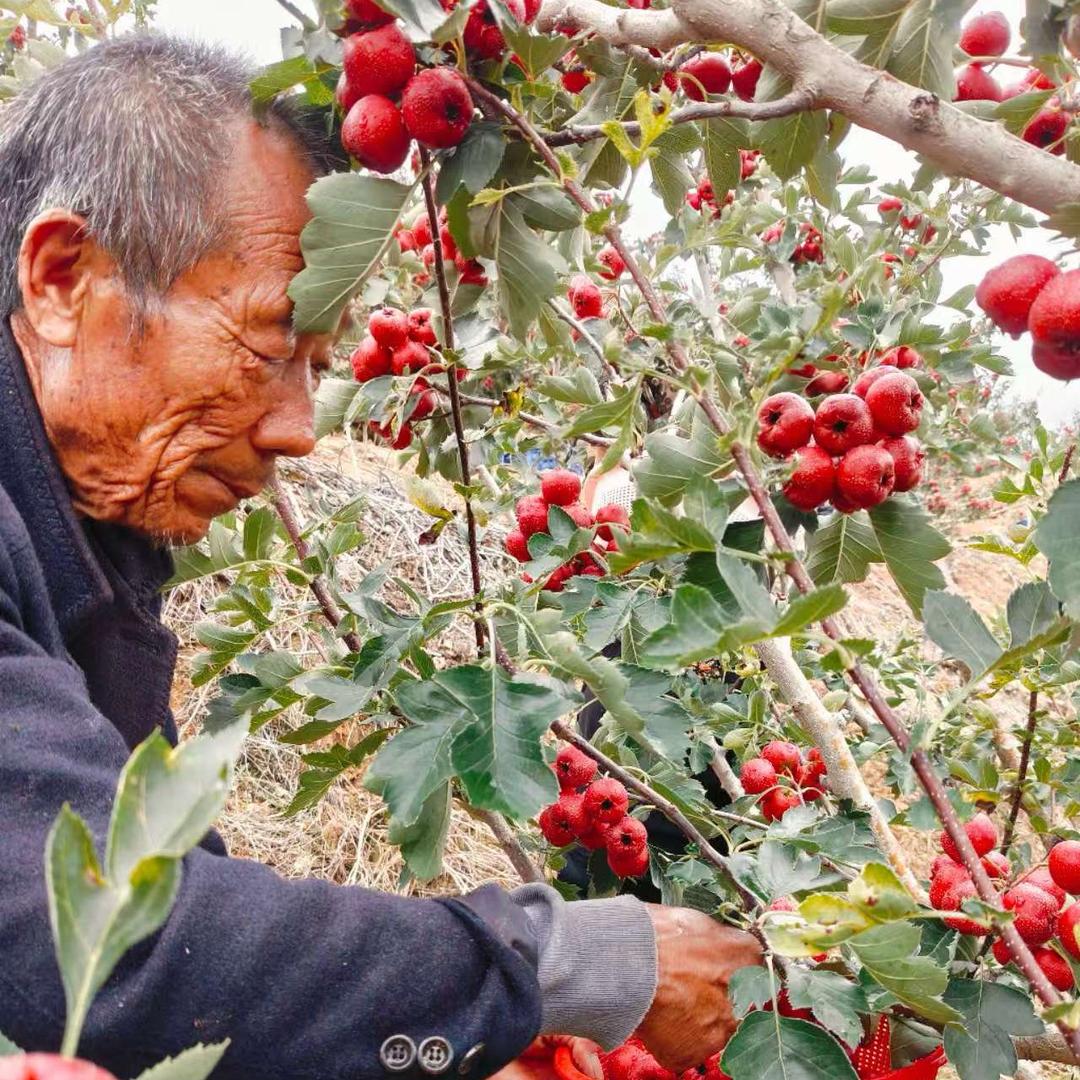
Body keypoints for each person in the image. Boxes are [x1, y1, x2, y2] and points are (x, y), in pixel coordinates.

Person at [0, 36, 762, 1080]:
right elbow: (102, 946)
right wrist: (552, 965)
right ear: (60, 278)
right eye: (271, 345)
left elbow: (177, 930)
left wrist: (464, 1039)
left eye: (317, 367)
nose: (302, 428)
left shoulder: (89, 548)